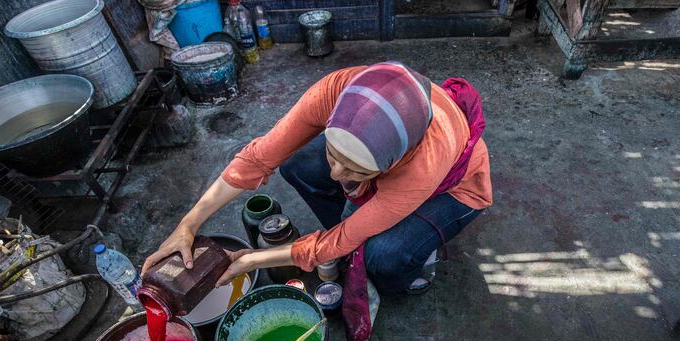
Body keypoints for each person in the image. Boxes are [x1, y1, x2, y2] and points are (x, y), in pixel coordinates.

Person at [142, 62, 492, 295]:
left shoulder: (419, 169)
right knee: (298, 165)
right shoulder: (337, 91)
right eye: (334, 154)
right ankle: (370, 222)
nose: (337, 174)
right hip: (393, 173)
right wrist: (188, 224)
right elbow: (257, 158)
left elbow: (339, 239)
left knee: (382, 259)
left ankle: (414, 266)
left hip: (456, 189)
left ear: (390, 164)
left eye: (355, 168)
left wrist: (249, 260)